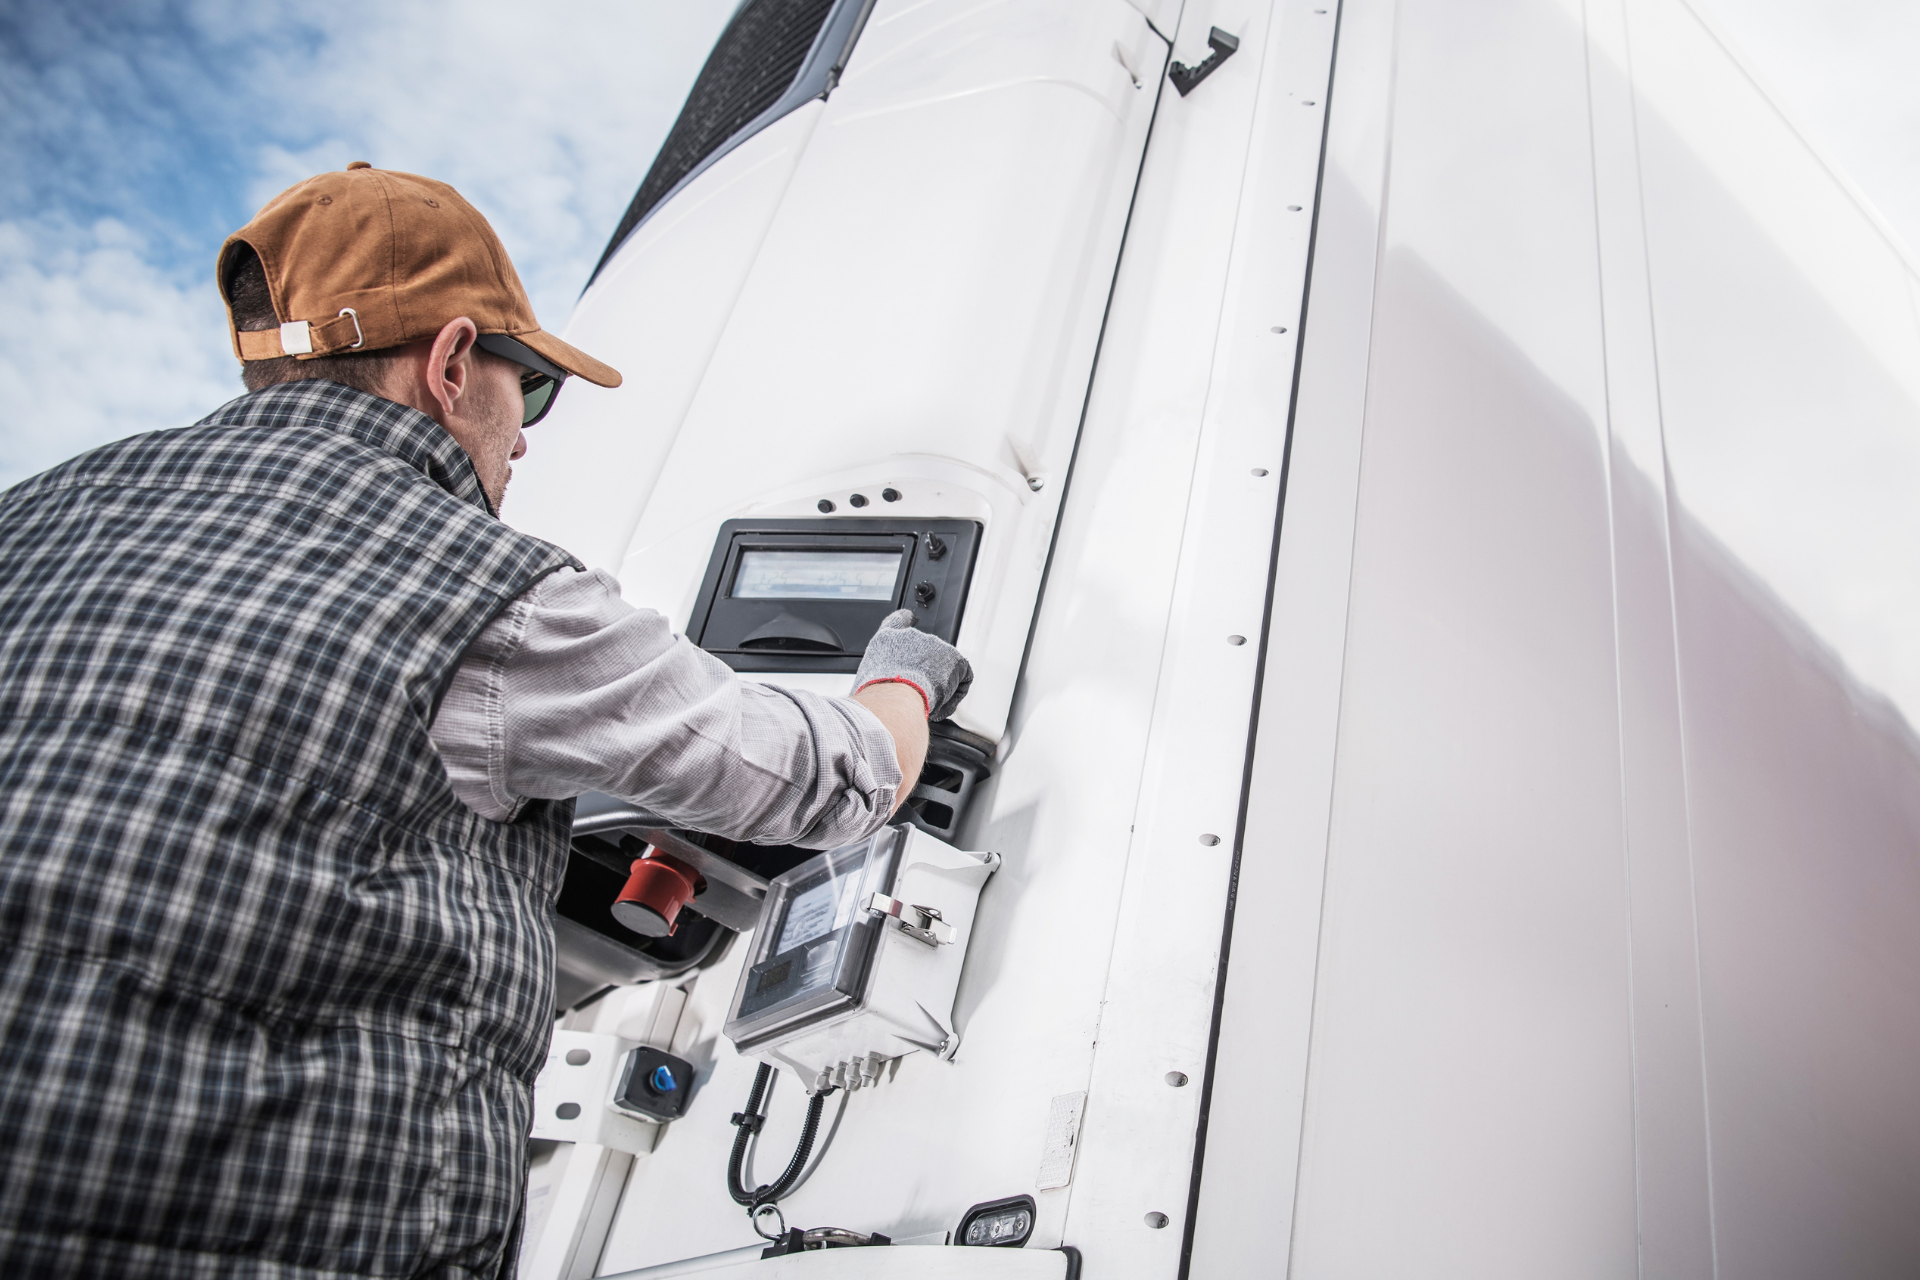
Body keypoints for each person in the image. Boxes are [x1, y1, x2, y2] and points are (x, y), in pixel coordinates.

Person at [0, 163, 971, 1279]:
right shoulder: (477, 586)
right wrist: (904, 673)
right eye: (533, 391)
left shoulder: (36, 510)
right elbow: (833, 779)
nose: (526, 440)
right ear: (453, 363)